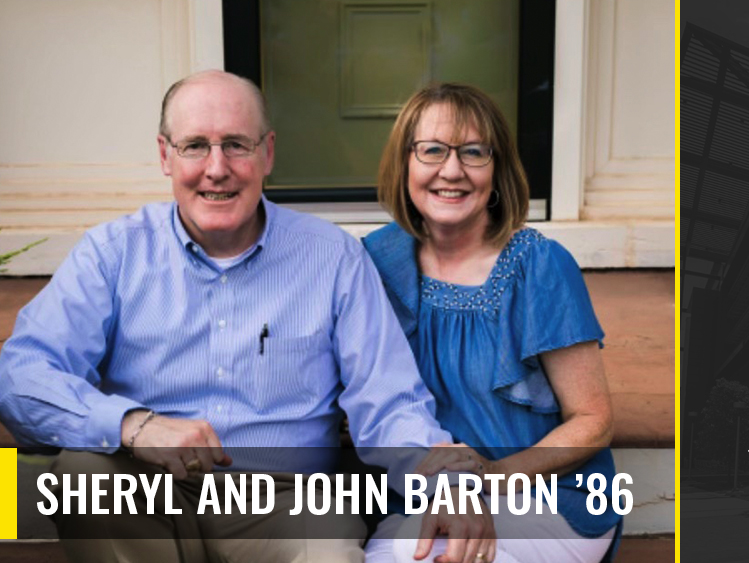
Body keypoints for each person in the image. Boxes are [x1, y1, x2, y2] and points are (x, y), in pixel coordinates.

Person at [0, 70, 493, 563]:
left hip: (286, 501)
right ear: (164, 155)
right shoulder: (112, 254)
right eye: (195, 145)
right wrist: (134, 425)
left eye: (236, 144)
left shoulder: (332, 258)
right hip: (145, 489)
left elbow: (389, 404)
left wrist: (449, 487)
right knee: (83, 475)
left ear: (268, 153)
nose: (217, 168)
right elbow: (19, 377)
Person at [362, 83, 621, 563]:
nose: (452, 170)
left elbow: (593, 421)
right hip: (429, 496)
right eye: (432, 150)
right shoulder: (378, 261)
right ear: (405, 165)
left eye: (474, 152)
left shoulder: (539, 266)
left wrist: (492, 477)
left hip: (549, 495)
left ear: (498, 170)